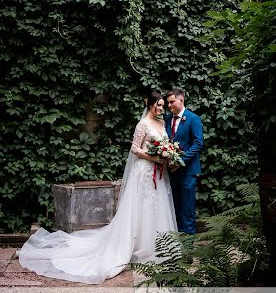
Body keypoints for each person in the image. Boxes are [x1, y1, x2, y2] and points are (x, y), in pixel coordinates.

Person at [18, 92, 177, 285]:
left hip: (159, 173)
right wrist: (153, 157)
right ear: (150, 104)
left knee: (156, 207)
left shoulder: (161, 124)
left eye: (162, 105)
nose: (160, 109)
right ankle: (135, 246)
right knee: (141, 207)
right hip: (144, 172)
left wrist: (167, 155)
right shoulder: (142, 124)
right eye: (157, 105)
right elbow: (135, 148)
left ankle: (154, 246)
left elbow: (165, 144)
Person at [165, 88, 204, 234]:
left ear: (181, 100)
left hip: (187, 172)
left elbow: (198, 143)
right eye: (168, 103)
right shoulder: (167, 119)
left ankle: (188, 251)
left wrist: (180, 161)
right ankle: (178, 246)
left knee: (187, 210)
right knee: (175, 209)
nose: (169, 105)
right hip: (171, 171)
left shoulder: (193, 118)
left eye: (172, 102)